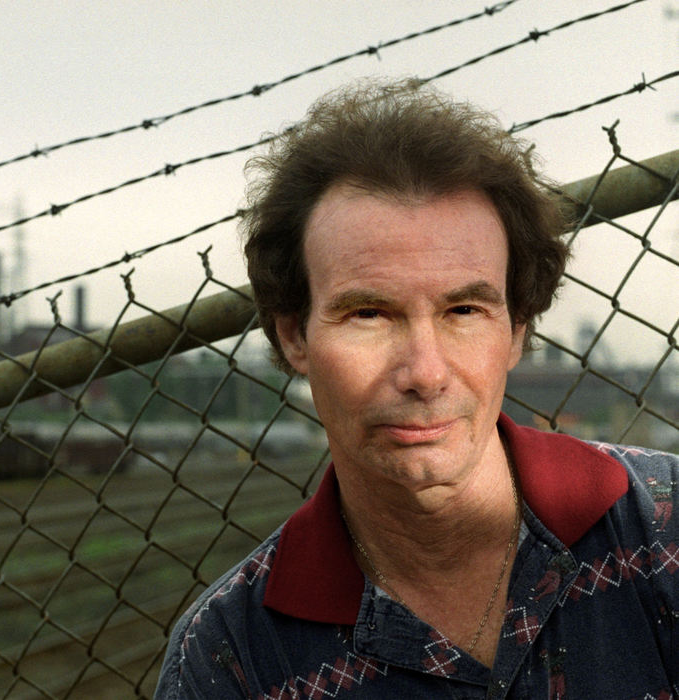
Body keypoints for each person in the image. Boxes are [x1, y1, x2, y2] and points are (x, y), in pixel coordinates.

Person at [154, 79, 679, 698]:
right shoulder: (229, 655)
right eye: (369, 315)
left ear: (516, 330)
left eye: (463, 311)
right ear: (293, 336)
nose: (424, 373)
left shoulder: (665, 533)